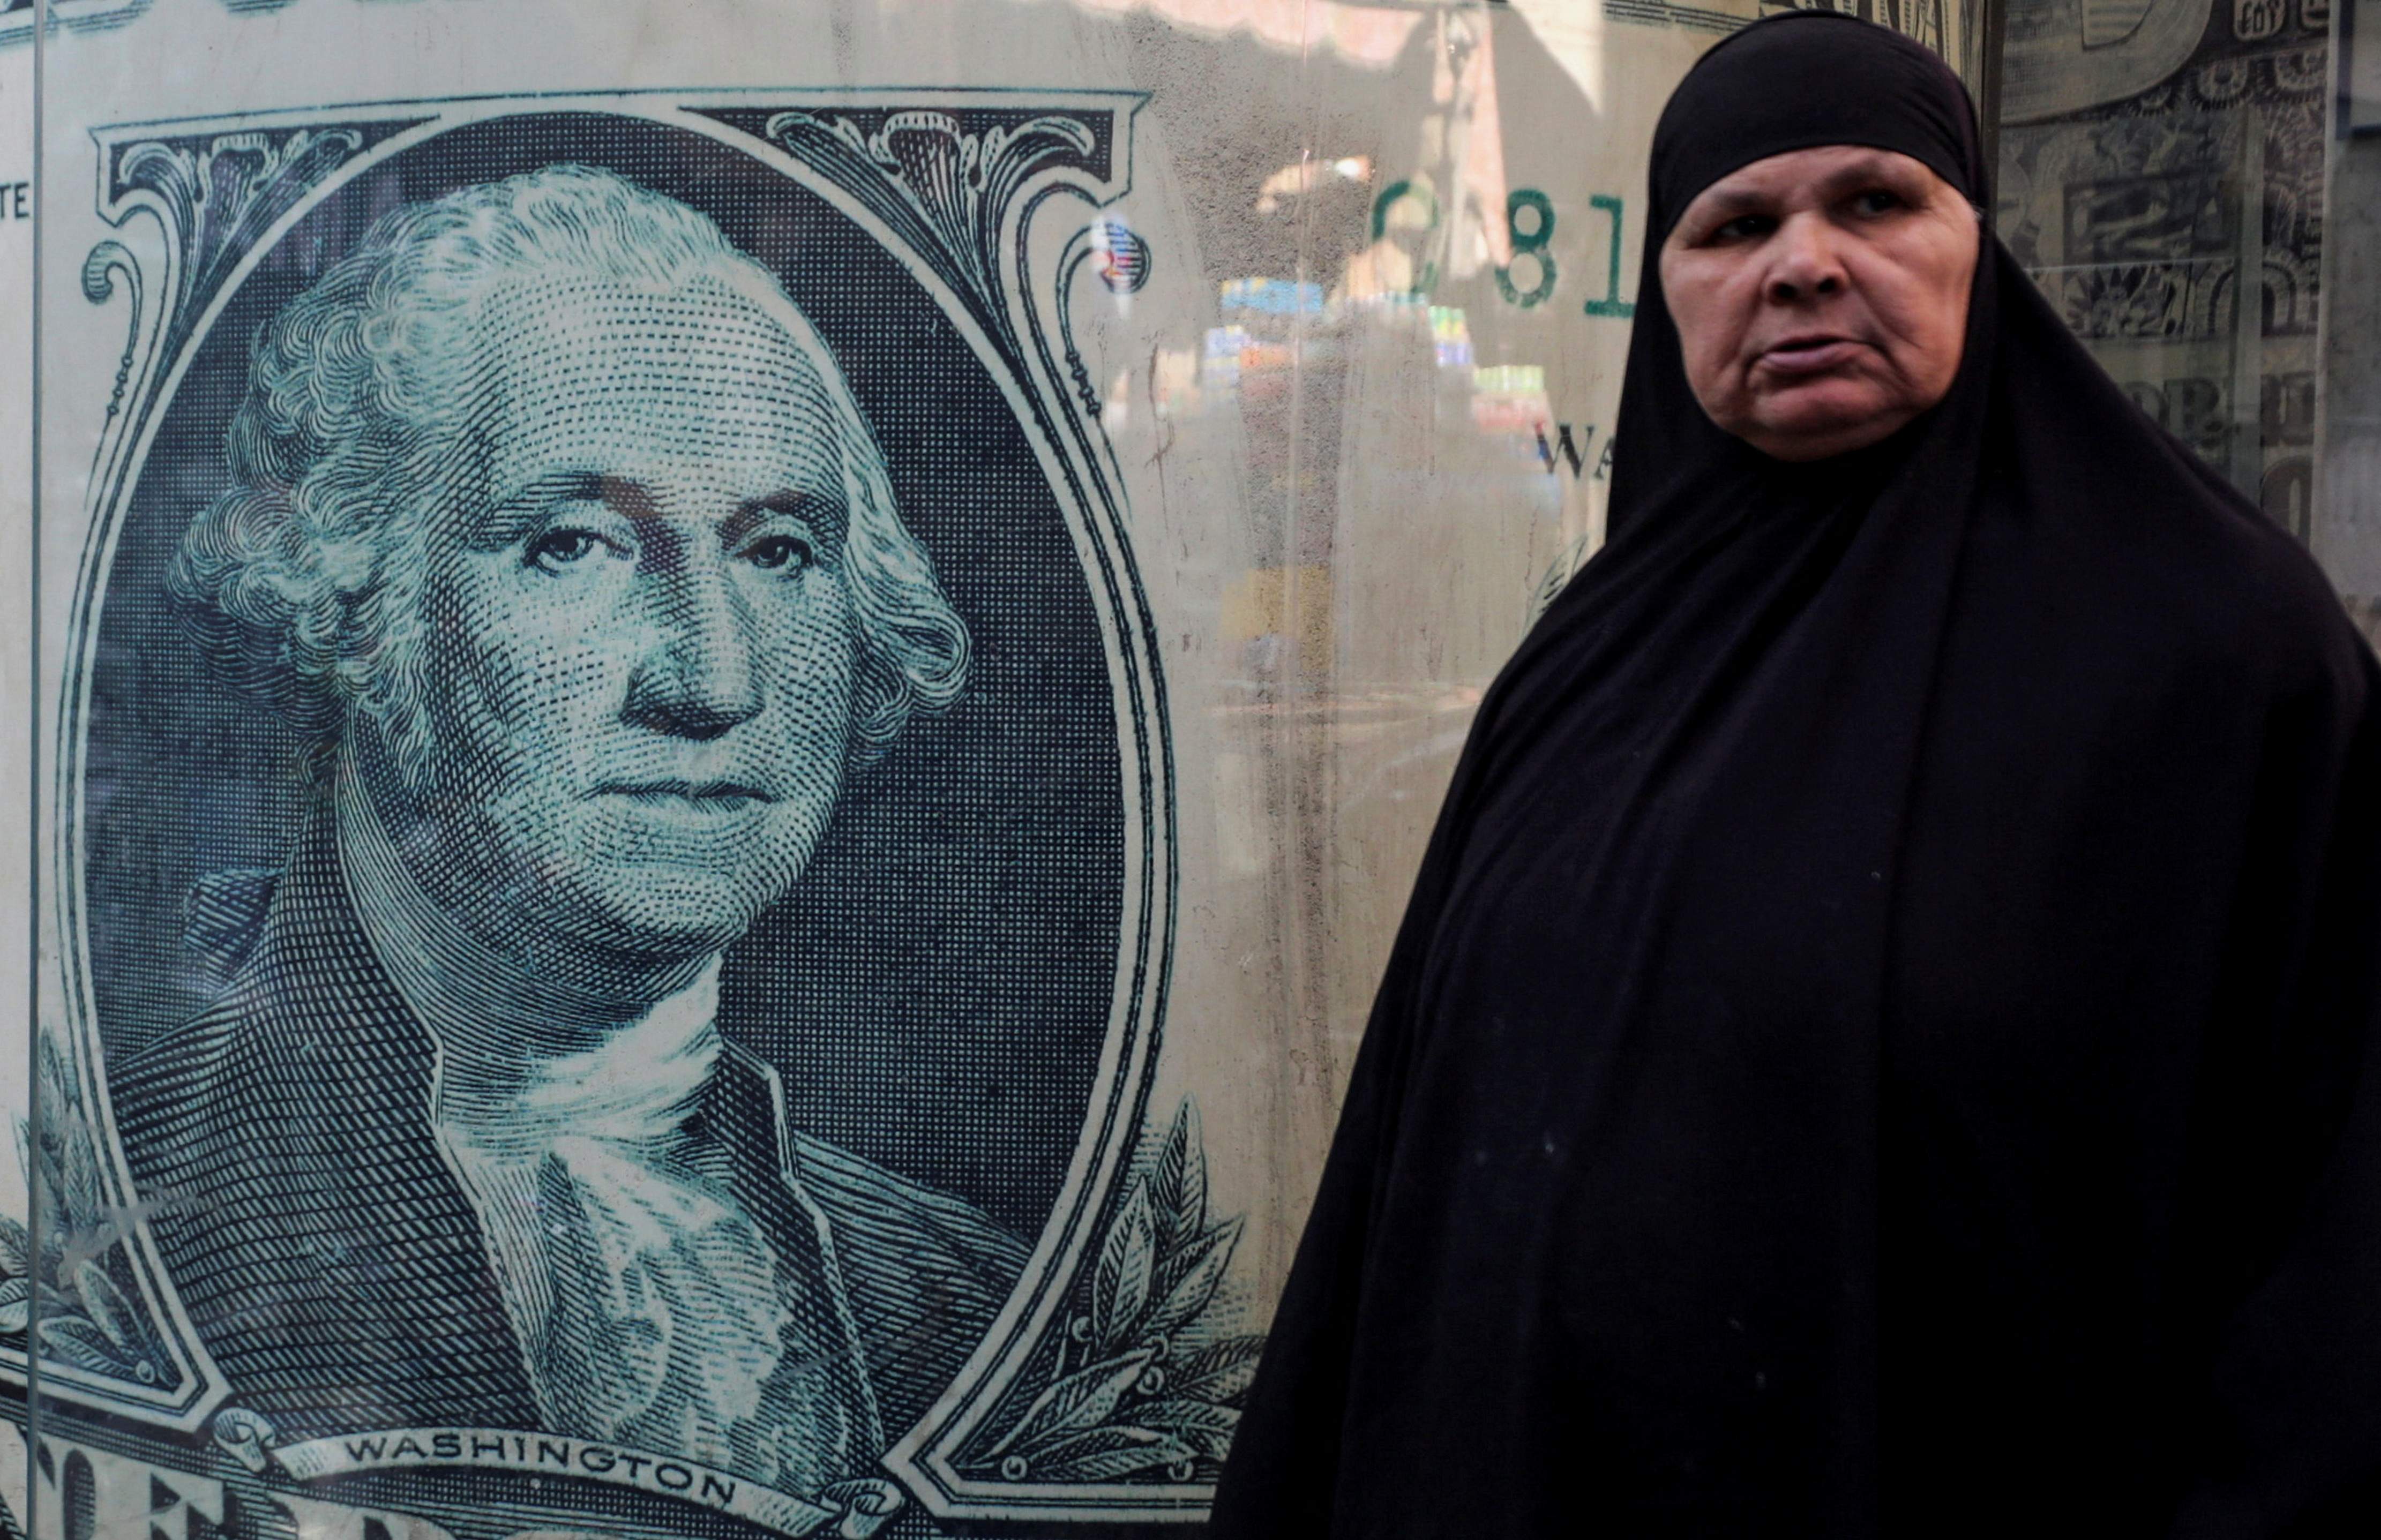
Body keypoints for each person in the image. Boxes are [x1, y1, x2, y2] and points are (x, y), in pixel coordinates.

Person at [1212, 14, 2381, 1537]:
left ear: (1979, 246)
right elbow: (1410, 1162)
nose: (1804, 262)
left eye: (1874, 202)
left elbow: (2329, 1228)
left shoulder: (2218, 655)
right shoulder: (1589, 659)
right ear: (1670, 289)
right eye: (1735, 225)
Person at [111, 166, 1025, 1498]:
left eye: (777, 551)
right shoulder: (105, 1213)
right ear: (358, 600)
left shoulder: (958, 1294)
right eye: (576, 544)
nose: (715, 681)